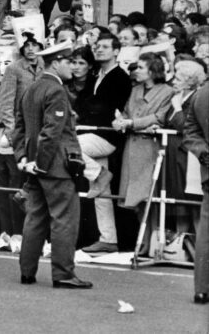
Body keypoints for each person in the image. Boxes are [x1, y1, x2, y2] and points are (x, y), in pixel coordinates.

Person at [12, 41, 92, 289]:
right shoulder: (57, 91)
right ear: (56, 63)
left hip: (35, 164)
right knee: (64, 220)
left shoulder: (32, 88)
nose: (74, 67)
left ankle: (27, 271)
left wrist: (23, 159)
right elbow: (51, 132)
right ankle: (63, 273)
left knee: (35, 218)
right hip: (54, 166)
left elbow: (19, 128)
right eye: (69, 61)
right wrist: (42, 164)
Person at [76, 34, 132, 254]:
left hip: (107, 136)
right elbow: (85, 103)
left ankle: (98, 174)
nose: (99, 50)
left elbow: (107, 106)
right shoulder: (94, 76)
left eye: (105, 47)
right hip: (92, 133)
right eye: (97, 47)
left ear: (117, 51)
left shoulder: (120, 77)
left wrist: (90, 108)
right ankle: (108, 238)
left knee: (68, 146)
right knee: (101, 192)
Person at [113, 52, 174, 251]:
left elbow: (160, 116)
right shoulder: (135, 89)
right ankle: (144, 240)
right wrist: (119, 120)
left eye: (140, 67)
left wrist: (132, 123)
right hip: (132, 146)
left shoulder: (167, 91)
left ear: (152, 70)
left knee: (149, 196)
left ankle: (151, 242)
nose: (136, 70)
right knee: (136, 199)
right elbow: (125, 111)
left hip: (150, 149)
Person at [166, 60, 206, 235]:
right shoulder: (177, 97)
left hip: (188, 156)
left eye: (178, 77)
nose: (173, 81)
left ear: (189, 81)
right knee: (179, 202)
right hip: (174, 154)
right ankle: (181, 243)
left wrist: (177, 109)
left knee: (192, 201)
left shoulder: (196, 98)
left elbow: (186, 127)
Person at [182, 81, 209, 305]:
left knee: (207, 232)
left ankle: (202, 288)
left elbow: (190, 132)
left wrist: (203, 153)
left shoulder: (200, 95)